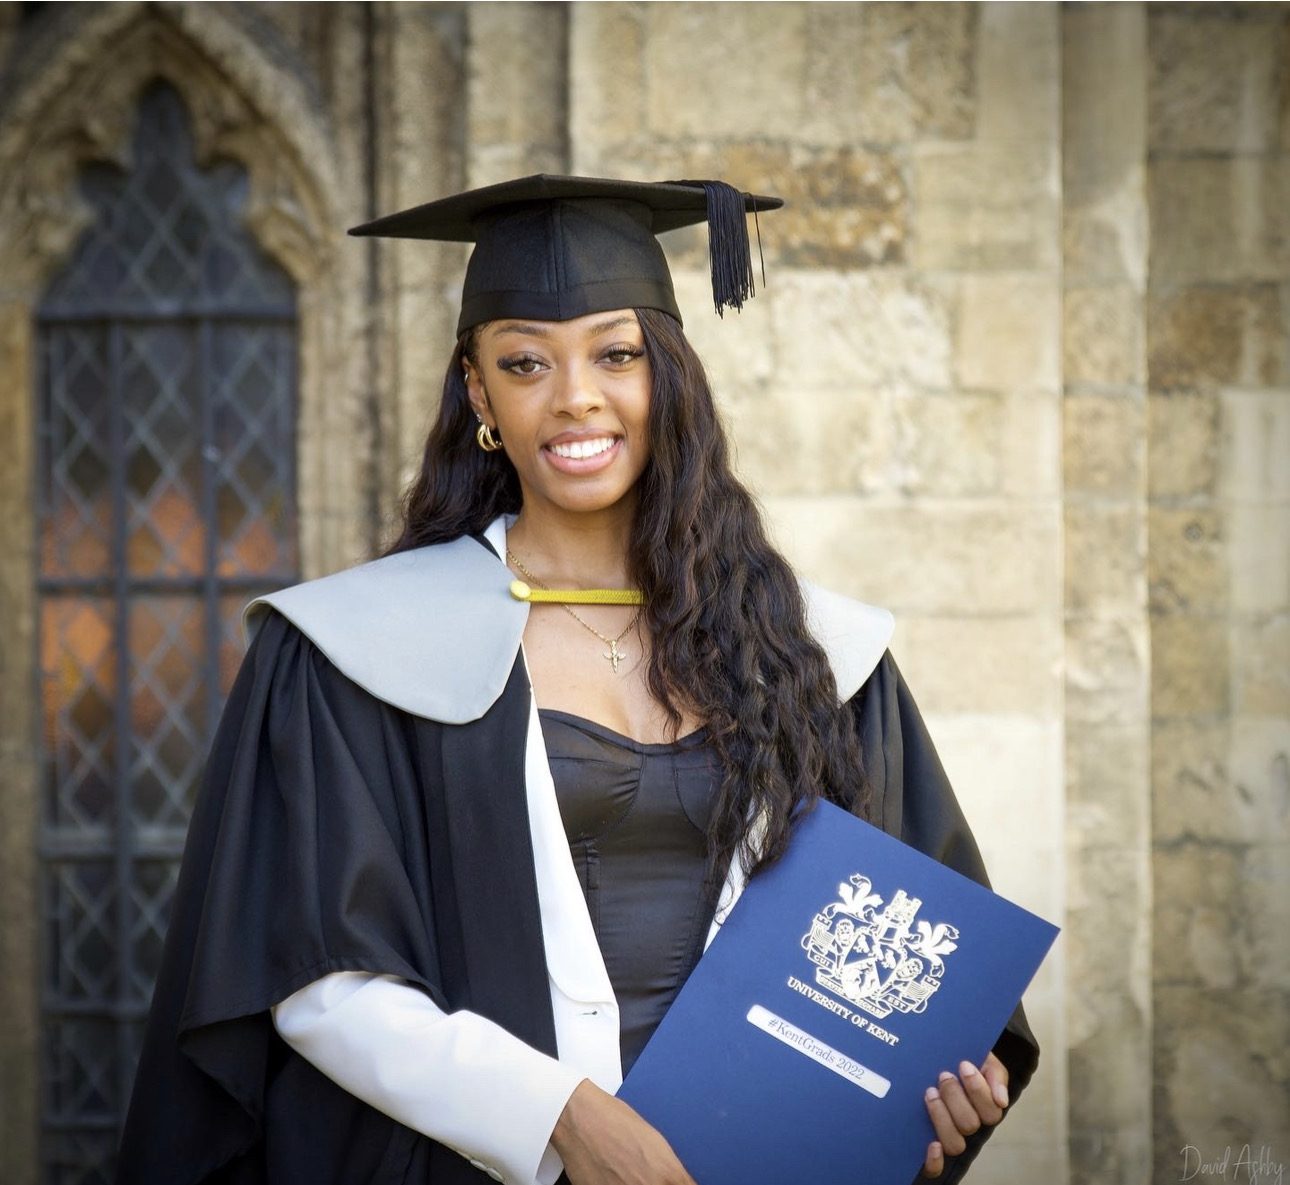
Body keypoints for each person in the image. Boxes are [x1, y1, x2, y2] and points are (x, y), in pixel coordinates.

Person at [116, 176, 1038, 1185]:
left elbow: (922, 955)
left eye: (617, 354)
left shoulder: (816, 655)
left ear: (668, 377)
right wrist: (560, 1118)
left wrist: (935, 1090)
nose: (576, 398)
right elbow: (309, 976)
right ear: (479, 393)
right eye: (524, 363)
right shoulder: (355, 649)